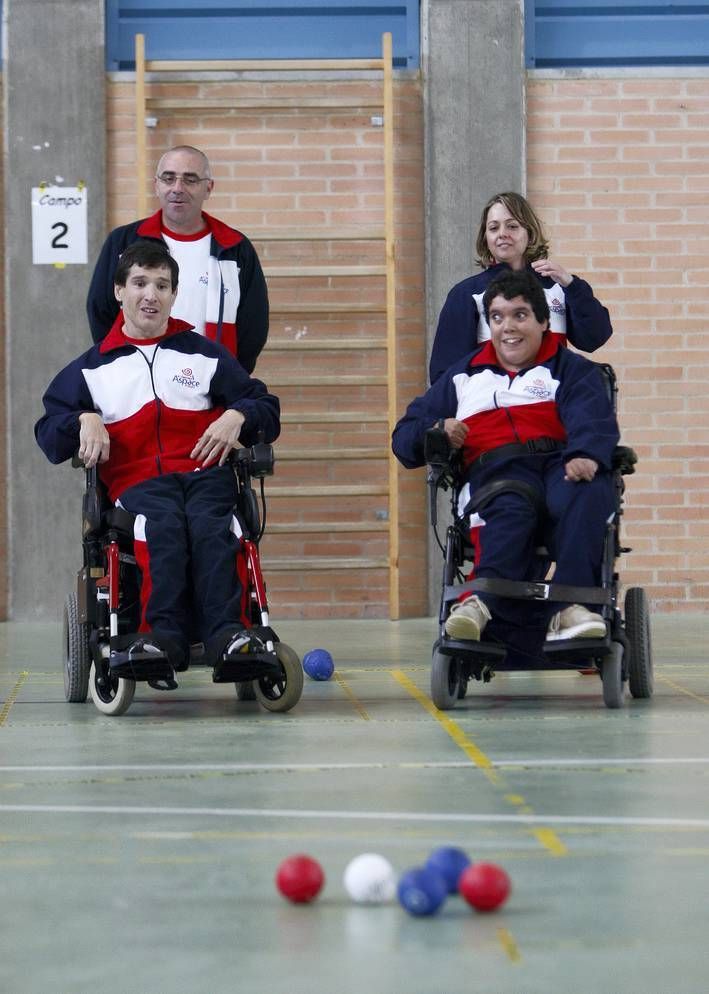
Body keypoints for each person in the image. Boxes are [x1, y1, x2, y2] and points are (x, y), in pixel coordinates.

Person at [37, 240, 280, 672]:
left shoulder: (202, 353)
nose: (151, 294)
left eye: (162, 285)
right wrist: (83, 419)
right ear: (119, 291)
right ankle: (164, 637)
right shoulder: (91, 368)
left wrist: (237, 415)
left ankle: (229, 636)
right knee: (161, 527)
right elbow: (48, 432)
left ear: (173, 294)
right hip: (139, 484)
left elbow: (264, 406)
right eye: (140, 282)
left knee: (215, 526)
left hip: (206, 474)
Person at [393, 270, 619, 648]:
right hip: (495, 472)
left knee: (590, 489)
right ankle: (479, 603)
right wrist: (437, 429)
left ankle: (574, 606)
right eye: (497, 317)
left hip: (558, 465)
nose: (507, 328)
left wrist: (585, 455)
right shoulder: (462, 376)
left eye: (520, 315)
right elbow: (404, 438)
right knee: (509, 505)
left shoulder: (571, 370)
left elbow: (591, 419)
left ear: (543, 322)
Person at [86, 145, 268, 372]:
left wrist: (231, 377)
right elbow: (100, 310)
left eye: (190, 180)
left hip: (213, 385)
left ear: (208, 188)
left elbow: (254, 326)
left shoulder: (235, 249)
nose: (177, 188)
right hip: (136, 381)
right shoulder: (124, 242)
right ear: (156, 185)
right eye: (168, 178)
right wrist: (120, 368)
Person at [428, 191, 613, 384]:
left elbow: (595, 338)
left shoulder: (558, 286)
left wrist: (572, 285)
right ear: (486, 238)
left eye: (512, 226)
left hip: (554, 405)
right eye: (493, 228)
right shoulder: (467, 293)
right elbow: (445, 372)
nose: (502, 234)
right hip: (495, 409)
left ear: (530, 233)